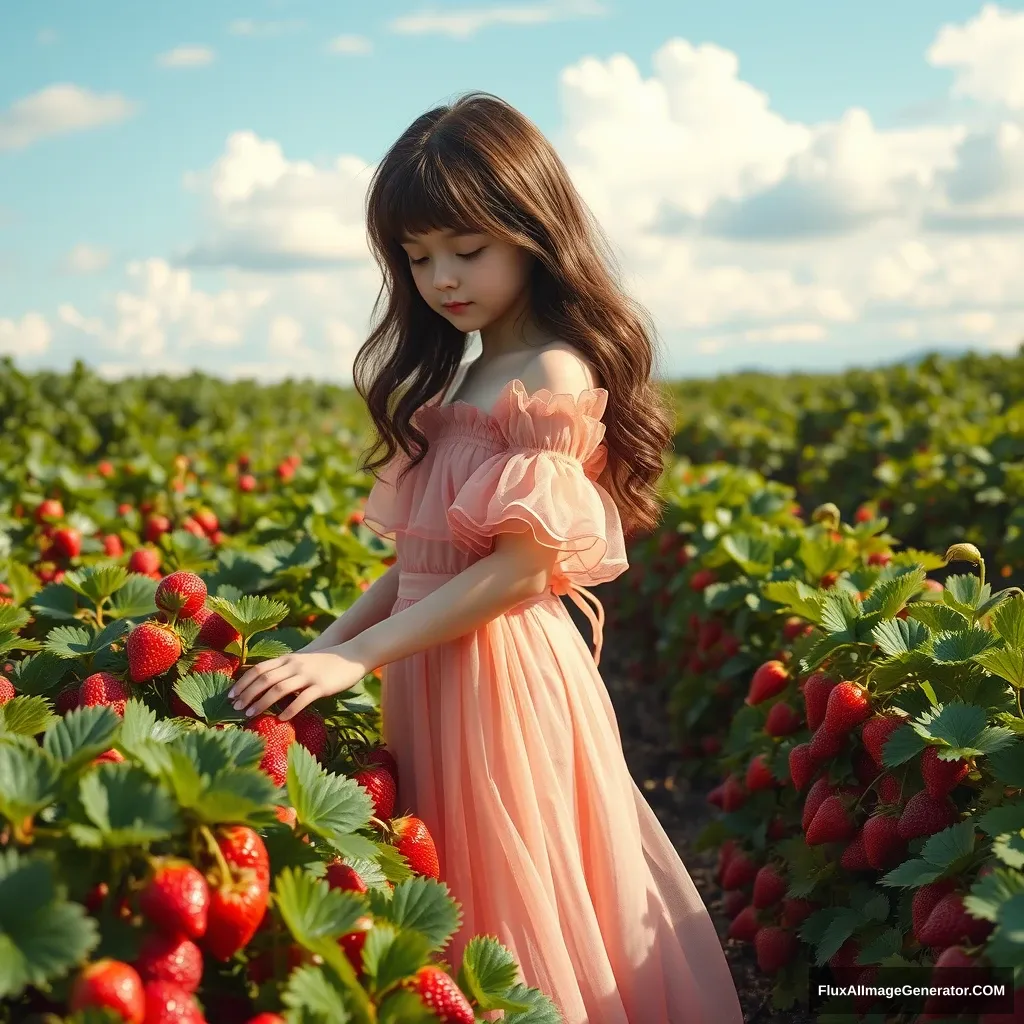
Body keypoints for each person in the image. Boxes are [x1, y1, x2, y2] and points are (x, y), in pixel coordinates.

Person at [229, 91, 743, 1024]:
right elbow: (422, 560)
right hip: (430, 663)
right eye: (418, 257)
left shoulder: (550, 374)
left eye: (467, 250)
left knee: (506, 900)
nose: (441, 279)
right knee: (456, 890)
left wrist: (355, 656)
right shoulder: (465, 377)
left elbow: (515, 572)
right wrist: (332, 641)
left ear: (534, 233)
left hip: (500, 674)